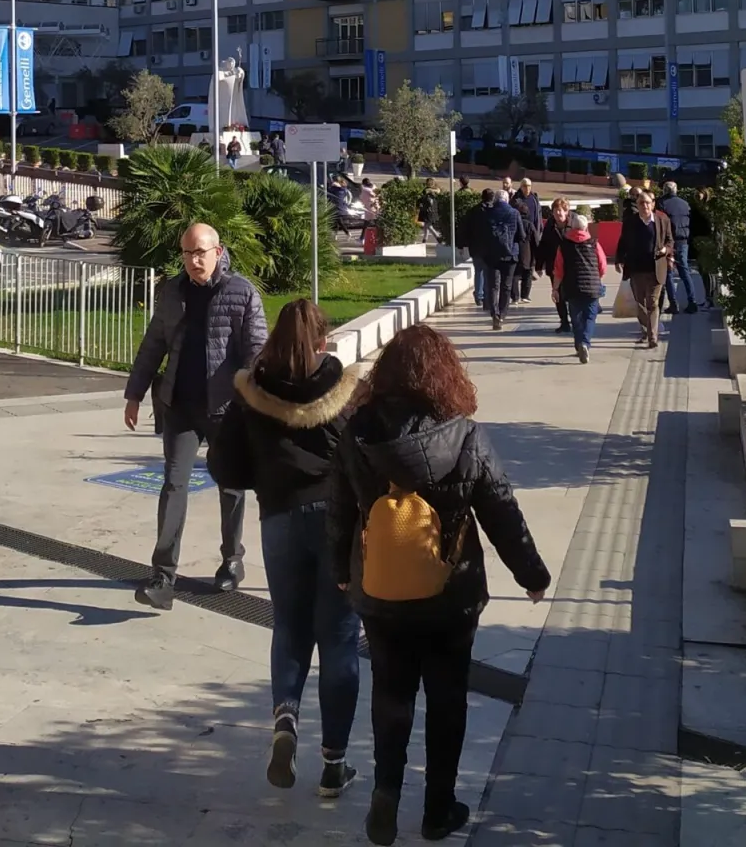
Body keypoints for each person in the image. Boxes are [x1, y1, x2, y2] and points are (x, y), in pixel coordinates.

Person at [328, 324, 549, 845]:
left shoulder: (356, 433)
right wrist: (532, 575)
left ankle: (386, 793)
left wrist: (341, 570)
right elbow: (500, 510)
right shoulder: (465, 434)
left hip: (381, 590)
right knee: (447, 698)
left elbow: (339, 510)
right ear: (444, 374)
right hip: (451, 594)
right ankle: (438, 810)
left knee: (391, 693)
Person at [206, 301, 362, 799]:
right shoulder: (345, 391)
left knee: (290, 628)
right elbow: (366, 460)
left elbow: (224, 465)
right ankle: (334, 764)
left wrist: (265, 478)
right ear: (323, 341)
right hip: (338, 525)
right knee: (338, 638)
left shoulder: (252, 391)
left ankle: (286, 721)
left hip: (278, 520)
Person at [123, 222, 269, 610]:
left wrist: (254, 402)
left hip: (226, 411)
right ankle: (163, 575)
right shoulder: (172, 292)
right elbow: (153, 343)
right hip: (180, 408)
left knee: (231, 487)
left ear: (218, 252)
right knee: (173, 486)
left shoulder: (241, 293)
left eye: (201, 252)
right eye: (188, 253)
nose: (194, 260)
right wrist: (134, 394)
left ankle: (232, 560)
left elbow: (257, 352)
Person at [614, 189, 673, 349]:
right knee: (640, 303)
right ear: (637, 205)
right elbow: (623, 242)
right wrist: (619, 259)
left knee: (652, 303)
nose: (644, 205)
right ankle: (647, 329)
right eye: (641, 203)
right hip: (636, 269)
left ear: (653, 204)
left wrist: (666, 251)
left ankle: (652, 336)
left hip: (656, 268)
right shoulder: (631, 222)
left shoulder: (662, 220)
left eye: (647, 202)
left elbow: (670, 241)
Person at [550, 211, 608, 363]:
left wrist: (555, 289)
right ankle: (585, 342)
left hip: (571, 287)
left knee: (576, 318)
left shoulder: (564, 245)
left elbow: (559, 269)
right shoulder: (594, 243)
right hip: (592, 287)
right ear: (585, 228)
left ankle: (578, 345)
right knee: (590, 316)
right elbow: (602, 266)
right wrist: (597, 277)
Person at [471, 188, 524, 331]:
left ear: (495, 200)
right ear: (507, 200)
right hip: (510, 254)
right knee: (506, 286)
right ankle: (502, 314)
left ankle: (493, 313)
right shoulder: (514, 213)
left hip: (491, 255)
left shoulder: (487, 213)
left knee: (493, 286)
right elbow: (522, 236)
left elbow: (481, 234)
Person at [655, 179, 699, 316]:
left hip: (668, 242)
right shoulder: (685, 204)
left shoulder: (661, 203)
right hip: (683, 241)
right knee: (684, 271)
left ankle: (673, 304)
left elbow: (660, 224)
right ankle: (693, 302)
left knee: (668, 272)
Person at [534, 197, 573, 334]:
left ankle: (576, 320)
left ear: (566, 211)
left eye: (560, 211)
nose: (557, 215)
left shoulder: (574, 224)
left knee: (572, 295)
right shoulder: (550, 226)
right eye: (555, 212)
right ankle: (564, 322)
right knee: (558, 296)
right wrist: (539, 265)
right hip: (554, 267)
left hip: (572, 267)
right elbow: (543, 245)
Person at [509, 180, 542, 303]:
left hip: (531, 233)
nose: (527, 188)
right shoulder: (516, 199)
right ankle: (517, 296)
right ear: (521, 187)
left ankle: (523, 295)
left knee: (527, 270)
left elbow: (538, 215)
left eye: (529, 186)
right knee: (522, 270)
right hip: (520, 239)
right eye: (525, 186)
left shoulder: (534, 198)